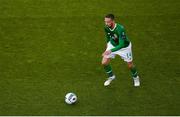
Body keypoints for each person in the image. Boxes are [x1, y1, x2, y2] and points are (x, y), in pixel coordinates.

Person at [102, 14, 140, 87]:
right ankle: (111, 77)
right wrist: (107, 46)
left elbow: (121, 44)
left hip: (124, 48)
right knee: (104, 62)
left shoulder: (120, 29)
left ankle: (136, 78)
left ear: (113, 21)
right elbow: (107, 36)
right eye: (105, 22)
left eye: (108, 22)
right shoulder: (106, 27)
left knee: (130, 65)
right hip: (112, 45)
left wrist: (110, 51)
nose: (106, 24)